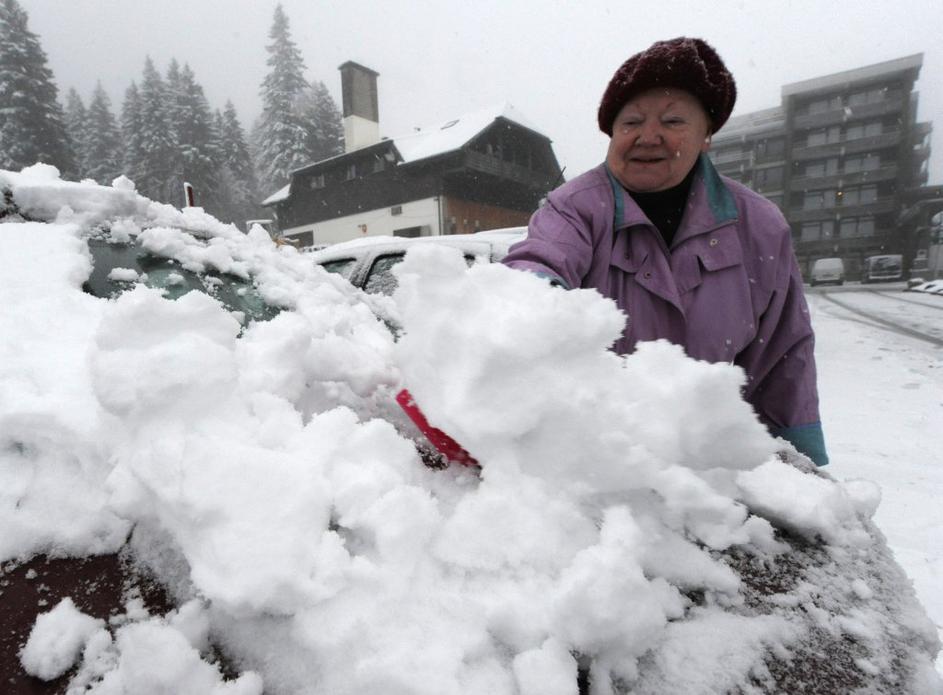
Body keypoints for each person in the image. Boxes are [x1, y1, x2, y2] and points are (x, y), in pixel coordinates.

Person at [502, 37, 828, 467]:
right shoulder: (575, 208)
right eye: (631, 122)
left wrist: (795, 463)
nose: (648, 136)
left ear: (706, 135)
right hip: (599, 462)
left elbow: (783, 356)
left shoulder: (760, 227)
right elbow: (539, 262)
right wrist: (526, 304)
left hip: (710, 469)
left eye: (673, 121)